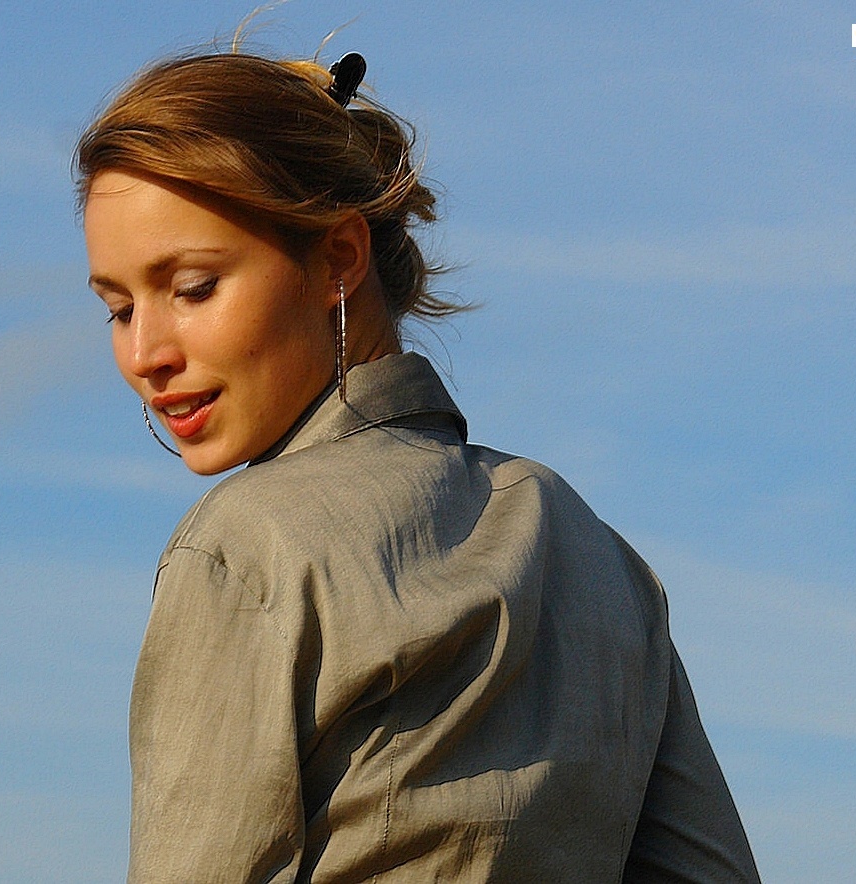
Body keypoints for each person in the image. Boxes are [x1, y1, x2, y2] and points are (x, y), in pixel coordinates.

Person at [75, 46, 761, 883]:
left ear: (339, 257)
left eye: (191, 288)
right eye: (118, 308)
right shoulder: (593, 550)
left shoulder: (247, 546)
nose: (144, 354)